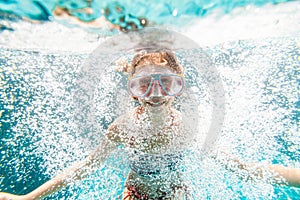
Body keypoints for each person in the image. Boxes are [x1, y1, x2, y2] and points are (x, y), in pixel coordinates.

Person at [0, 50, 299, 200]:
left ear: (179, 87)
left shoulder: (188, 128)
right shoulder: (121, 128)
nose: (155, 94)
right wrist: (28, 199)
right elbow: (85, 167)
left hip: (177, 193)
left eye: (166, 83)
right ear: (132, 90)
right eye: (144, 85)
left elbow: (239, 166)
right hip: (135, 194)